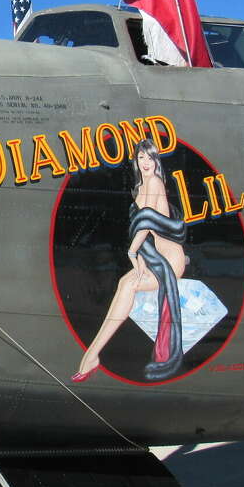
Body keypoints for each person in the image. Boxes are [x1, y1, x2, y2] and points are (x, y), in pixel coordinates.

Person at [72, 137, 188, 383]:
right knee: (125, 285)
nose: (145, 162)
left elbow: (145, 224)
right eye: (141, 157)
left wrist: (133, 253)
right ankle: (92, 355)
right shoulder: (141, 186)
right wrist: (142, 254)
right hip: (154, 255)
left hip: (169, 259)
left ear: (157, 160)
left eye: (149, 157)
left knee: (127, 284)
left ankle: (92, 355)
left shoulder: (155, 182)